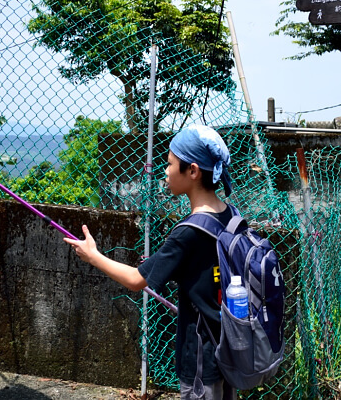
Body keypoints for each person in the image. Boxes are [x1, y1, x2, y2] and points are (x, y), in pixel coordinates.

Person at [65, 124, 237, 400]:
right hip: (229, 346)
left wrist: (93, 256)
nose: (165, 171)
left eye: (170, 164)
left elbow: (136, 280)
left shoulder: (188, 232)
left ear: (192, 171)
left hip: (200, 358)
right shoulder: (231, 215)